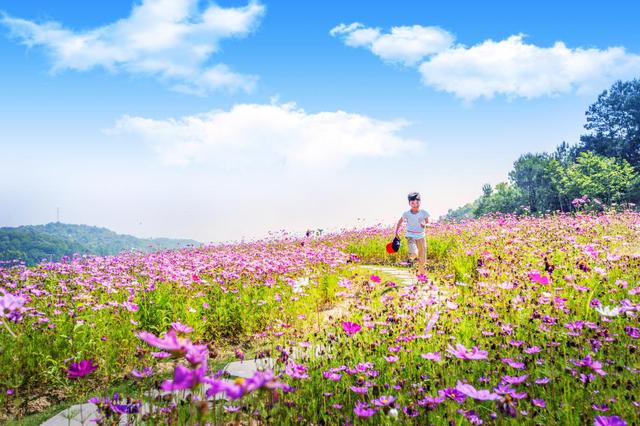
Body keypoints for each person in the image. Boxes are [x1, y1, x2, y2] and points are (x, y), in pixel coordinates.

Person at [394, 192, 429, 277]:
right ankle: (410, 259)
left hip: (421, 236)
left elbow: (428, 223)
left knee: (422, 258)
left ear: (420, 202)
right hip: (411, 236)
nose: (415, 205)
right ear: (409, 203)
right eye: (412, 203)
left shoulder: (424, 213)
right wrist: (396, 232)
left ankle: (422, 276)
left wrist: (424, 225)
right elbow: (399, 221)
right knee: (414, 253)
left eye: (417, 202)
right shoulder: (407, 214)